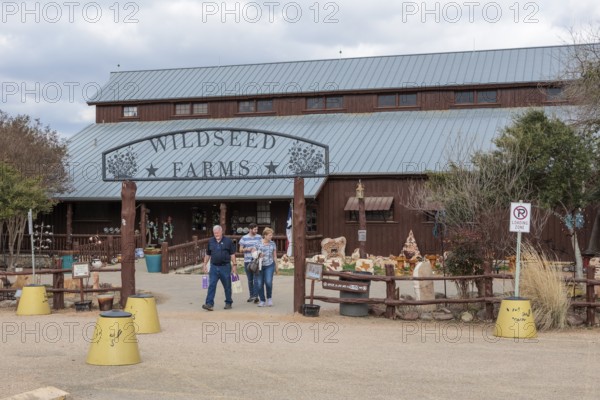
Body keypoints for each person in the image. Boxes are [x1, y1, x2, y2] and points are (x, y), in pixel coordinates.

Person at [202, 225, 237, 311]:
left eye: (217, 232)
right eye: (215, 233)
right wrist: (204, 264)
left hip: (225, 267)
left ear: (221, 232)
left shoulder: (228, 241)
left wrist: (234, 265)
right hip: (213, 267)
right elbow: (208, 254)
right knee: (211, 285)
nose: (216, 234)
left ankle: (228, 302)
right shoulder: (210, 241)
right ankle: (209, 304)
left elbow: (232, 254)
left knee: (227, 286)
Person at [239, 223, 261, 303]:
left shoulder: (259, 237)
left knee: (256, 279)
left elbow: (262, 246)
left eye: (257, 229)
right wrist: (248, 249)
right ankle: (251, 295)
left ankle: (255, 296)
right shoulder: (244, 238)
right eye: (255, 229)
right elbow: (240, 249)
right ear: (250, 229)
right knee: (250, 280)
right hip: (247, 261)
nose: (256, 231)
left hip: (256, 261)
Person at [256, 227, 278, 307]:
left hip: (270, 265)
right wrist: (258, 254)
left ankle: (269, 298)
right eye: (269, 235)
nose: (271, 237)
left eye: (271, 235)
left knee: (268, 282)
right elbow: (253, 254)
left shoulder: (273, 243)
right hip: (259, 266)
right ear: (265, 235)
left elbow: (274, 256)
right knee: (259, 283)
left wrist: (276, 266)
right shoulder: (258, 243)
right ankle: (262, 300)